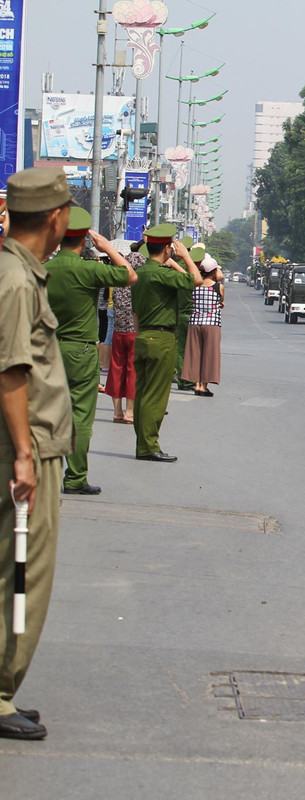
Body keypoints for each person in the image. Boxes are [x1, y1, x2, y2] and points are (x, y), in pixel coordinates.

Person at [0, 167, 75, 740]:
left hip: (26, 447)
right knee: (23, 573)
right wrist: (25, 455)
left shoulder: (20, 273)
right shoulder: (17, 282)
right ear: (55, 218)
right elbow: (11, 371)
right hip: (25, 452)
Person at [44, 208, 137, 495]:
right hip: (81, 351)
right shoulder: (89, 269)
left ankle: (40, 476)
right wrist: (107, 247)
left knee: (44, 415)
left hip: (45, 350)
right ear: (84, 240)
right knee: (80, 416)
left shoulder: (43, 268)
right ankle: (74, 478)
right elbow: (129, 275)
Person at [132, 225, 200, 462]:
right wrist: (185, 257)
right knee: (156, 396)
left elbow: (135, 313)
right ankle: (149, 446)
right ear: (167, 248)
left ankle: (142, 444)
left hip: (142, 337)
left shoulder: (139, 273)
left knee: (141, 393)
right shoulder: (161, 273)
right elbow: (196, 279)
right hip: (161, 337)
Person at [105, 247, 144, 424]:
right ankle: (130, 412)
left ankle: (117, 411)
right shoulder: (139, 286)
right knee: (132, 371)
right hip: (134, 332)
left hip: (118, 331)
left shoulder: (119, 284)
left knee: (116, 369)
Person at [182, 255, 224, 396]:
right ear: (213, 272)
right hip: (212, 324)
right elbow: (221, 300)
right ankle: (203, 386)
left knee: (195, 353)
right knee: (209, 354)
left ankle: (196, 384)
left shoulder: (194, 285)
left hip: (195, 323)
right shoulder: (219, 287)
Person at [174, 243, 203, 392]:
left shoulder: (179, 273)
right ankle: (188, 379)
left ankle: (183, 379)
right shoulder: (195, 276)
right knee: (192, 350)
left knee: (180, 350)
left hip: (179, 315)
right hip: (194, 317)